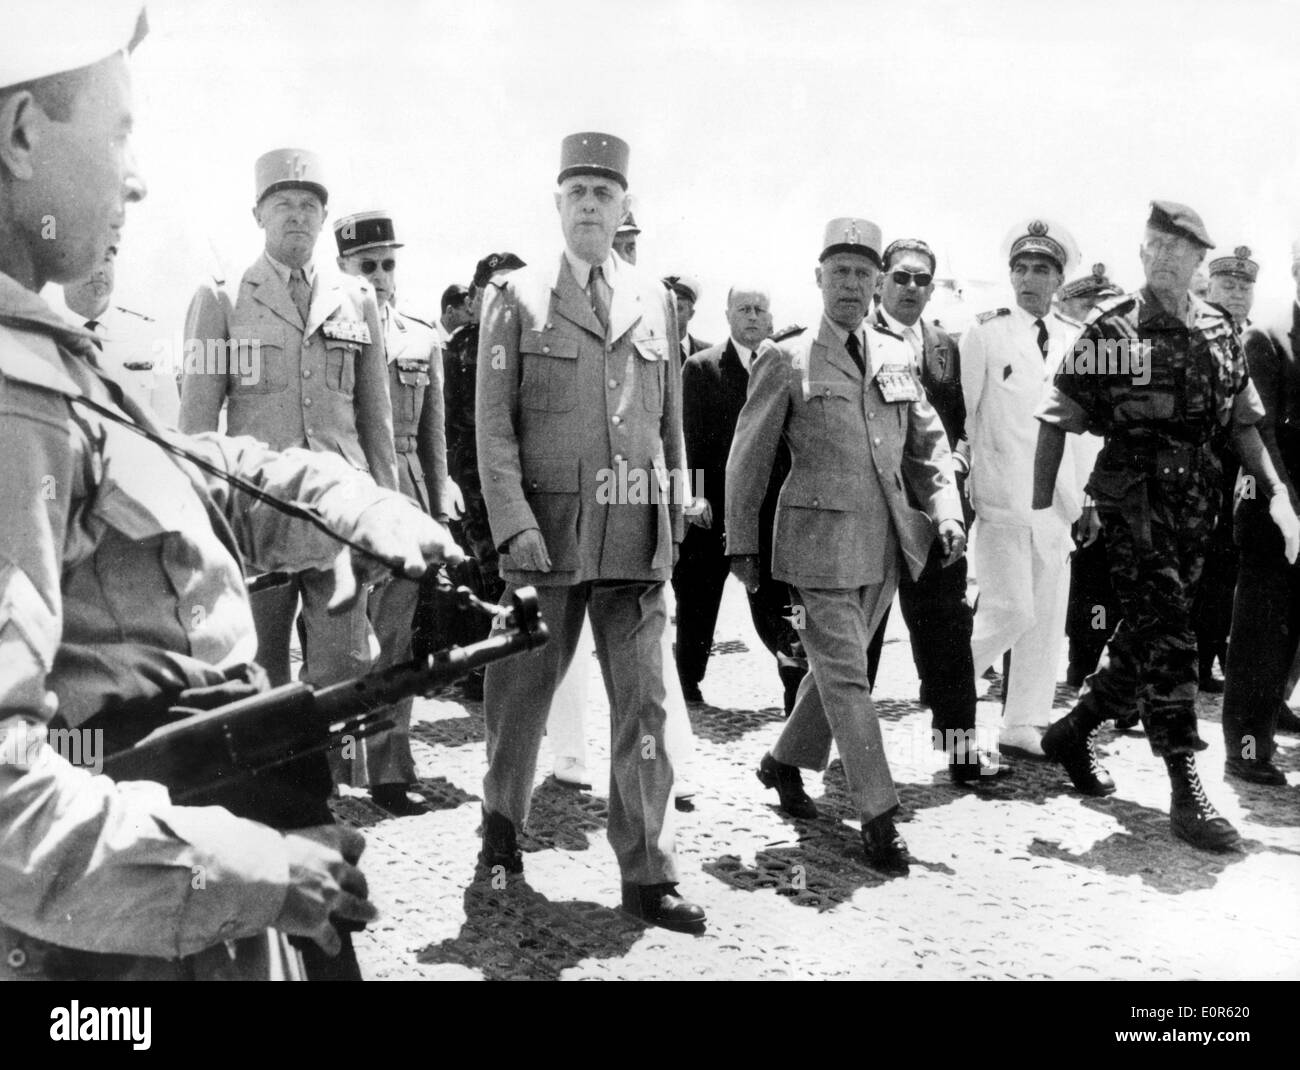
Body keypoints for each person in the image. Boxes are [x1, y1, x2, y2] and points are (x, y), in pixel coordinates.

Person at [0, 2, 458, 979]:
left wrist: (354, 501)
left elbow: (195, 468)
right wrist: (251, 871)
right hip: (118, 903)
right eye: (118, 129)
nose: (135, 175)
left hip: (186, 801)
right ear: (21, 136)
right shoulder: (12, 400)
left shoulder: (44, 357)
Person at [475, 131, 704, 932]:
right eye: (577, 193)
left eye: (604, 195)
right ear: (557, 204)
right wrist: (513, 529)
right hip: (549, 539)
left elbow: (670, 425)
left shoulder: (657, 301)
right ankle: (500, 834)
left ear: (624, 207)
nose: (590, 207)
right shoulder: (516, 297)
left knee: (643, 707)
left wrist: (671, 520)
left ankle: (647, 871)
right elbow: (493, 431)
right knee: (520, 701)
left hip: (634, 539)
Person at [1033, 200, 1300, 850]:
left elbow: (1243, 423)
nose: (1167, 260)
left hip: (1196, 511)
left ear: (1196, 260)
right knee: (1172, 638)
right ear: (1144, 250)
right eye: (1157, 247)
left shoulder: (1216, 330)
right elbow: (1057, 415)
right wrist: (1043, 508)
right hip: (1134, 505)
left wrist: (1279, 495)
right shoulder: (1114, 331)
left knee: (1148, 635)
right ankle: (1186, 787)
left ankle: (1073, 733)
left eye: (1182, 251)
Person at [726, 218, 966, 874]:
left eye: (864, 274)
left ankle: (780, 762)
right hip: (817, 544)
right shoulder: (788, 356)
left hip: (886, 544)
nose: (853, 286)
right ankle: (879, 815)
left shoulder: (895, 355)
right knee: (851, 679)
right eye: (841, 274)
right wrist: (741, 546)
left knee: (835, 671)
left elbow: (927, 444)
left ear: (877, 282)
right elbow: (747, 458)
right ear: (819, 279)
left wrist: (946, 512)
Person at [179, 148, 398, 711]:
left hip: (339, 514)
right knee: (257, 667)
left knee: (345, 666)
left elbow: (376, 420)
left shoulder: (357, 299)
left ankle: (324, 789)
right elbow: (198, 424)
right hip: (258, 515)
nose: (297, 216)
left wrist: (388, 510)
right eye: (283, 205)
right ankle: (269, 797)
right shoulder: (223, 297)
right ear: (258, 214)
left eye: (308, 205)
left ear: (324, 219)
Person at [865, 239, 1009, 784]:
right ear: (881, 280)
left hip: (937, 516)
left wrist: (958, 463)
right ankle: (829, 749)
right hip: (875, 512)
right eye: (900, 277)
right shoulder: (857, 338)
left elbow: (967, 422)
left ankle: (961, 748)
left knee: (947, 630)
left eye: (922, 280)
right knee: (861, 637)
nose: (911, 289)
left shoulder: (947, 347)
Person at [334, 209, 448, 814]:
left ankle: (389, 772)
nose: (380, 276)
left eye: (387, 263)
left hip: (405, 493)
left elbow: (435, 438)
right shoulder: (329, 330)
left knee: (397, 641)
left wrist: (440, 506)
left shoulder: (421, 335)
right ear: (343, 268)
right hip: (347, 494)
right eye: (366, 265)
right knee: (343, 639)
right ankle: (332, 765)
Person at [962, 218, 1087, 758]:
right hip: (1003, 496)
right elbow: (965, 415)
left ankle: (1024, 724)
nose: (1030, 277)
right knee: (1009, 609)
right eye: (1022, 267)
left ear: (1059, 279)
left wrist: (1084, 502)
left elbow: (1083, 432)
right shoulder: (985, 331)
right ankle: (951, 687)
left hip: (1056, 505)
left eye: (1042, 268)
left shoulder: (1075, 338)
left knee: (1046, 622)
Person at [674, 284, 778, 704]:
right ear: (728, 316)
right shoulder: (702, 367)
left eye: (759, 309)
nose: (752, 316)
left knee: (775, 603)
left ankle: (795, 675)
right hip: (712, 508)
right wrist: (694, 498)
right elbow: (689, 439)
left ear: (770, 318)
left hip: (766, 507)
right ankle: (685, 681)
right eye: (744, 309)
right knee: (698, 600)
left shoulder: (782, 364)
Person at [1221, 241, 1300, 785]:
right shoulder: (1266, 337)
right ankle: (1247, 747)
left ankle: (1274, 718)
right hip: (1276, 512)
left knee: (1291, 638)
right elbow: (1261, 431)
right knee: (1262, 637)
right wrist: (1288, 502)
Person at [441, 251, 526, 699]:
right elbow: (449, 422)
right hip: (476, 481)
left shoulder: (537, 337)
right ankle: (486, 672)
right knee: (487, 571)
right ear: (474, 297)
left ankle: (510, 670)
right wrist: (458, 485)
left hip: (527, 479)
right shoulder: (459, 347)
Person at [1192, 245, 1259, 693]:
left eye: (1244, 286)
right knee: (1199, 571)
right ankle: (1192, 664)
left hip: (1244, 470)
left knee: (1230, 570)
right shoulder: (1196, 331)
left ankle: (1216, 659)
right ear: (1210, 286)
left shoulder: (1257, 338)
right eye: (1227, 284)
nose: (1236, 293)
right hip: (1200, 468)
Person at [60, 243, 180, 424]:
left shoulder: (149, 335)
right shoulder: (44, 335)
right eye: (88, 259)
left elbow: (169, 421)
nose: (100, 270)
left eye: (107, 259)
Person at [662, 274, 710, 361]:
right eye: (667, 308)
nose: (671, 315)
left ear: (690, 314)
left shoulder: (708, 353)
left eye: (679, 309)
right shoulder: (653, 350)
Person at [436, 282, 472, 350]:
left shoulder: (466, 341)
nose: (472, 319)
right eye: (468, 313)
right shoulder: (427, 337)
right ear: (450, 311)